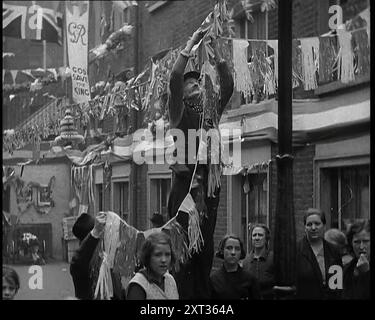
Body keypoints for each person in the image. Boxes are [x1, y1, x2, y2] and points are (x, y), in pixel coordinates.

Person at [167, 26, 234, 299]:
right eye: (190, 83)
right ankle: (179, 293)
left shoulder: (212, 110)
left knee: (204, 248)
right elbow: (173, 76)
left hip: (209, 185)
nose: (195, 83)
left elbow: (227, 83)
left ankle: (201, 295)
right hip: (185, 185)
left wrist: (217, 51)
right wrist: (191, 43)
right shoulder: (178, 112)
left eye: (197, 82)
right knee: (182, 246)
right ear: (181, 94)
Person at [70, 212, 124, 300]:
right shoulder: (80, 263)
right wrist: (95, 232)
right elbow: (79, 259)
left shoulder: (106, 259)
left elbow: (117, 291)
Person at [295, 208, 343, 299]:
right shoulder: (296, 251)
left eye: (317, 224)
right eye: (309, 224)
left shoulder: (334, 251)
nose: (313, 228)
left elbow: (337, 285)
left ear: (324, 226)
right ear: (304, 227)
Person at [126, 231, 179, 300]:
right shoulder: (138, 285)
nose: (164, 260)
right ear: (148, 257)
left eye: (167, 254)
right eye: (158, 255)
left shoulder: (170, 280)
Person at [209, 234, 260, 300]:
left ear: (241, 253)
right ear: (222, 251)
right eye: (229, 248)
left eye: (237, 249)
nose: (233, 252)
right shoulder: (214, 280)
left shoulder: (250, 279)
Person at [242, 223, 275, 299]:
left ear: (266, 239)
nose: (257, 238)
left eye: (260, 235)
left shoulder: (273, 258)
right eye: (254, 235)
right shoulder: (246, 261)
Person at [343, 219, 370, 299]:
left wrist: (366, 273)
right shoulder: (347, 269)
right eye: (357, 242)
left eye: (366, 241)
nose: (361, 247)